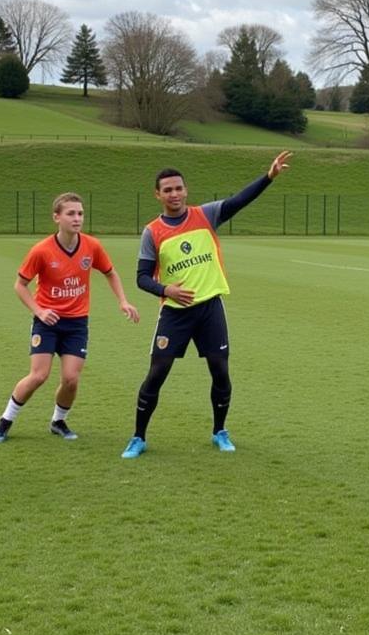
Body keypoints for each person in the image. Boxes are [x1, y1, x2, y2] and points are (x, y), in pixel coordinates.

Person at [121, 151, 292, 459]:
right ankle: (138, 437)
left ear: (186, 190)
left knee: (220, 371)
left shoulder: (206, 215)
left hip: (210, 309)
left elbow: (239, 201)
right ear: (157, 195)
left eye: (178, 188)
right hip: (175, 314)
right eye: (167, 190)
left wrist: (269, 177)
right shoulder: (153, 232)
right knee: (157, 372)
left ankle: (220, 431)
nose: (174, 194)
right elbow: (142, 278)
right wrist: (167, 289)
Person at [0, 193, 140, 444]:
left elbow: (110, 273)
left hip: (77, 324)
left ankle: (58, 421)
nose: (77, 218)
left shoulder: (91, 246)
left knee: (71, 379)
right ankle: (6, 419)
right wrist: (39, 311)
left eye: (80, 213)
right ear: (56, 217)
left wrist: (123, 301)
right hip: (47, 322)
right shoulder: (41, 250)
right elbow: (20, 285)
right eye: (71, 213)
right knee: (39, 375)